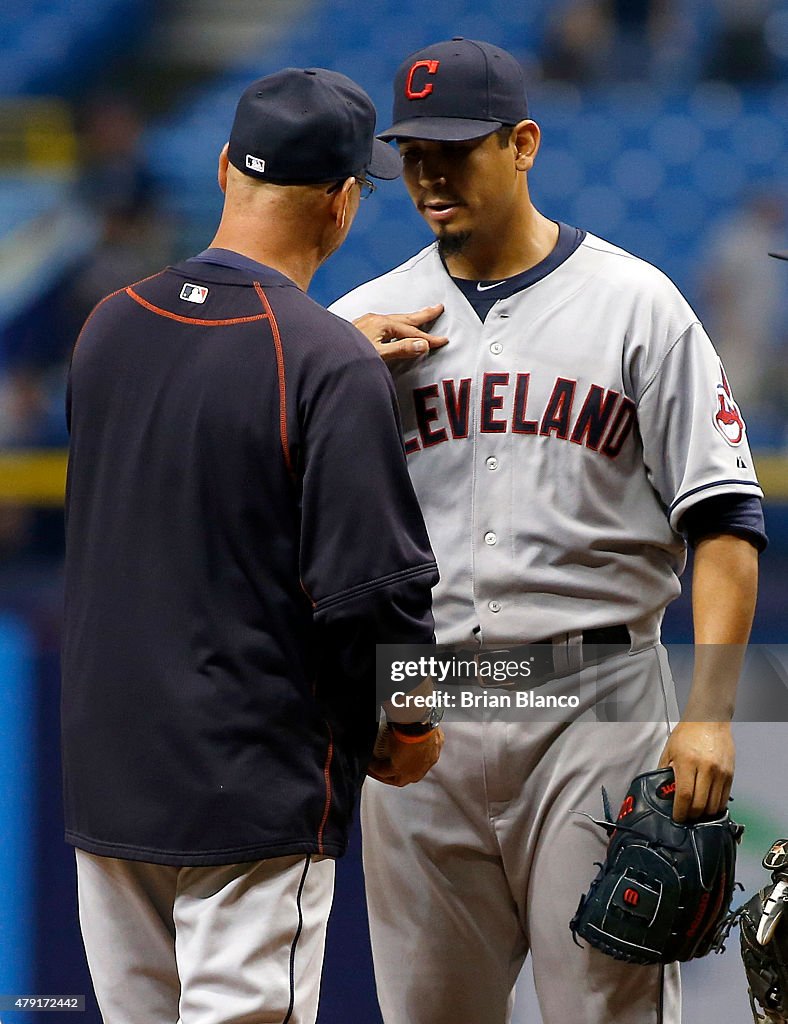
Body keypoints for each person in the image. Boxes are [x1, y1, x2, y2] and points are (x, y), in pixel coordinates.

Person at [330, 38, 766, 1024]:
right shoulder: (356, 326)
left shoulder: (633, 305)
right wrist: (327, 377)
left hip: (592, 698)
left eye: (456, 148)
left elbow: (724, 518)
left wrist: (706, 713)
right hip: (419, 707)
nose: (430, 173)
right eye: (411, 152)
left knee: (604, 1013)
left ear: (522, 142)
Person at [61, 67, 444, 1024]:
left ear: (228, 166)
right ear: (345, 202)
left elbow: (207, 398)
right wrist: (406, 727)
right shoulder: (323, 362)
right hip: (249, 794)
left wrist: (336, 347)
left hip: (111, 791)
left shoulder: (109, 326)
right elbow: (375, 596)